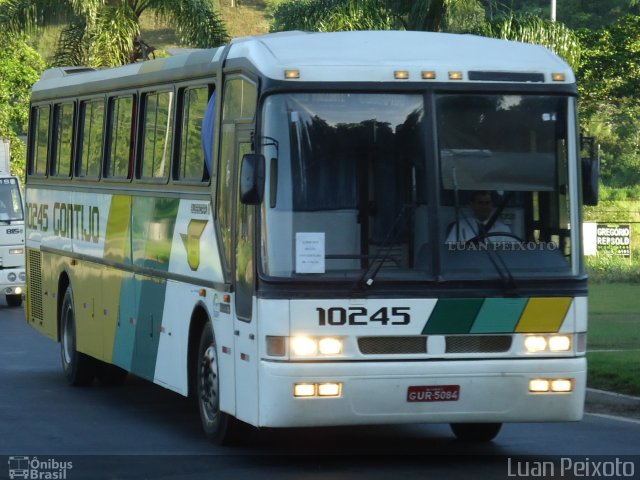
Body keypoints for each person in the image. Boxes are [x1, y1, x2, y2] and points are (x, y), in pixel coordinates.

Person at [445, 190, 511, 243]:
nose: (484, 207)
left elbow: (513, 255)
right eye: (480, 203)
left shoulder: (504, 230)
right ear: (472, 205)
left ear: (492, 205)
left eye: (487, 203)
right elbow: (449, 253)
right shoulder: (459, 227)